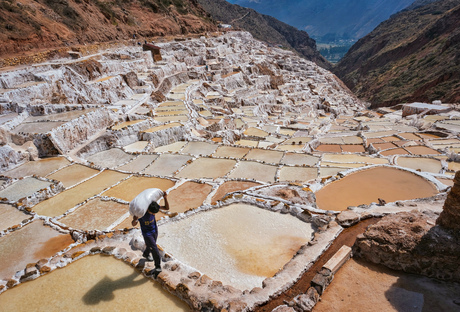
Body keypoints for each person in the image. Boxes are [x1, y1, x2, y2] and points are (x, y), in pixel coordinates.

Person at [131, 193, 169, 277]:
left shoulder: (154, 207)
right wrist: (135, 220)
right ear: (148, 209)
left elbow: (166, 208)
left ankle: (146, 254)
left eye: (154, 213)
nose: (153, 214)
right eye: (152, 213)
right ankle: (158, 267)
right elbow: (133, 224)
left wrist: (165, 198)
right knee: (155, 249)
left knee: (151, 244)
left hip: (154, 230)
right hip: (147, 233)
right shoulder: (141, 213)